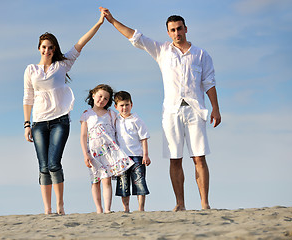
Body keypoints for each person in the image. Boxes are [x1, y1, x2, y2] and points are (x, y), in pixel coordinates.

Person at [101, 8, 221, 211]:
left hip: (195, 111)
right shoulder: (162, 50)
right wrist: (112, 21)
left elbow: (209, 83)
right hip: (172, 112)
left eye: (179, 29)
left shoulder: (201, 54)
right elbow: (135, 36)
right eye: (172, 30)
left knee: (199, 157)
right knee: (175, 158)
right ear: (168, 32)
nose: (177, 33)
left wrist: (216, 109)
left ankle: (204, 203)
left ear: (186, 28)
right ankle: (180, 203)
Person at [23, 11, 105, 215]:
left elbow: (80, 43)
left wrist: (99, 22)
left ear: (55, 49)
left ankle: (60, 206)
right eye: (44, 47)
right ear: (39, 48)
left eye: (51, 47)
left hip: (60, 121)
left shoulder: (63, 64)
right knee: (43, 167)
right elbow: (28, 98)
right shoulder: (31, 70)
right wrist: (27, 124)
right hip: (39, 123)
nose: (47, 50)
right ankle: (47, 209)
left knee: (53, 163)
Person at [80, 84, 135, 213]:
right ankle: (98, 208)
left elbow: (120, 129)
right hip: (93, 153)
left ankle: (107, 209)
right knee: (95, 181)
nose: (102, 100)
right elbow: (83, 136)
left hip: (110, 152)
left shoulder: (111, 114)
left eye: (105, 98)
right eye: (99, 96)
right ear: (93, 95)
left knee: (107, 180)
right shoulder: (87, 115)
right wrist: (85, 154)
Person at [114, 91, 151, 212]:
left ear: (131, 104)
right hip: (121, 158)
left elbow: (144, 138)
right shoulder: (116, 120)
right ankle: (126, 208)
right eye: (121, 105)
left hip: (137, 156)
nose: (124, 108)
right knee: (123, 183)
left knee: (139, 182)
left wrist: (145, 155)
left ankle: (141, 208)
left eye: (127, 104)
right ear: (116, 107)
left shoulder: (136, 120)